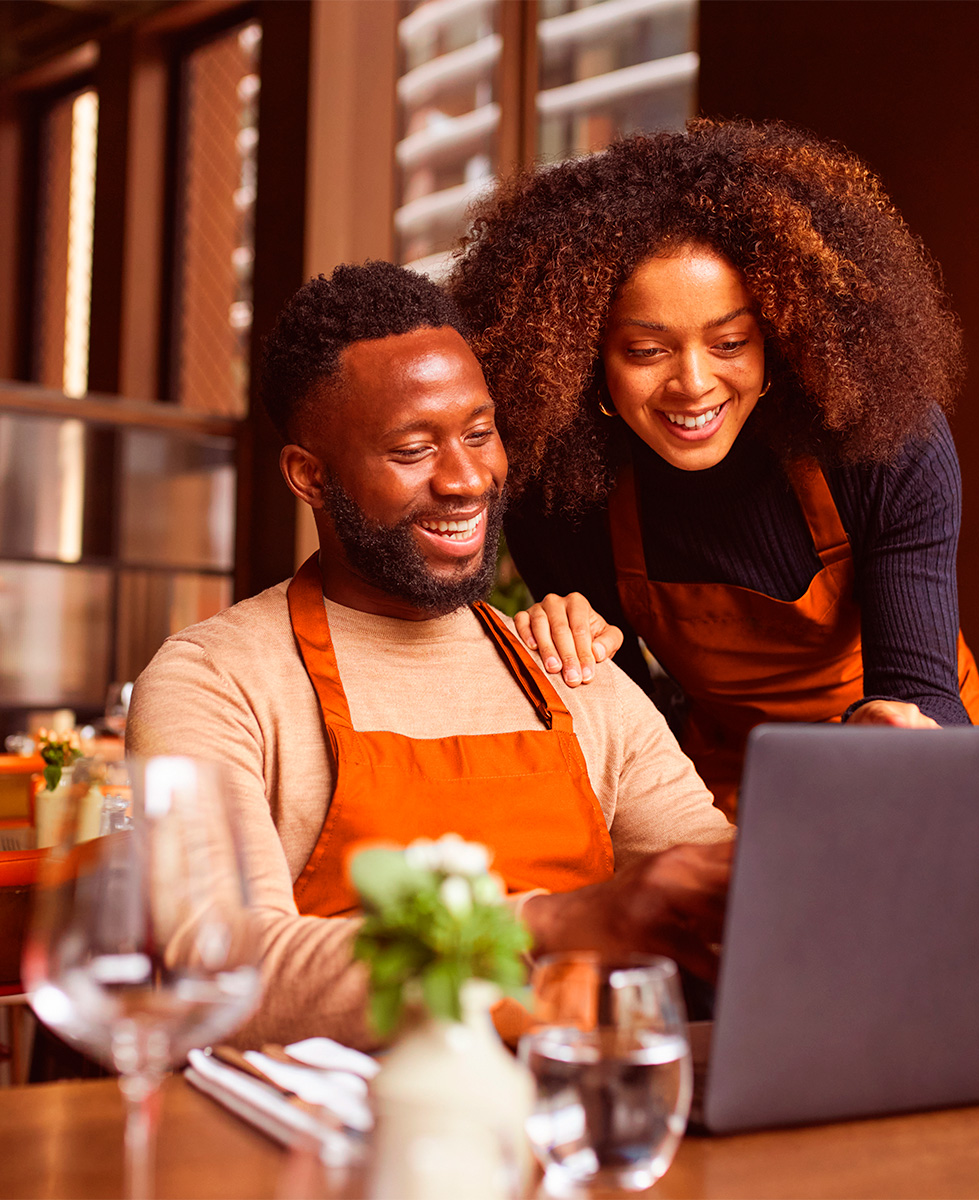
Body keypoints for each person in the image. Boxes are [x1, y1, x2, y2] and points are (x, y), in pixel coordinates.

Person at [127, 261, 732, 1050]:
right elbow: (221, 965)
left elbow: (714, 895)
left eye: (480, 433)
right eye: (414, 450)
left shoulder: (573, 669)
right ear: (309, 477)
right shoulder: (215, 682)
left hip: (580, 1130)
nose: (467, 479)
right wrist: (553, 923)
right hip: (329, 1152)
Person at [450, 119, 979, 811]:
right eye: (647, 351)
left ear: (780, 339)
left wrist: (892, 735)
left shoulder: (883, 444)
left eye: (730, 341)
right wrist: (570, 654)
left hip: (906, 758)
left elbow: (922, 692)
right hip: (723, 779)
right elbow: (637, 727)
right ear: (584, 359)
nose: (694, 384)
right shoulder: (560, 493)